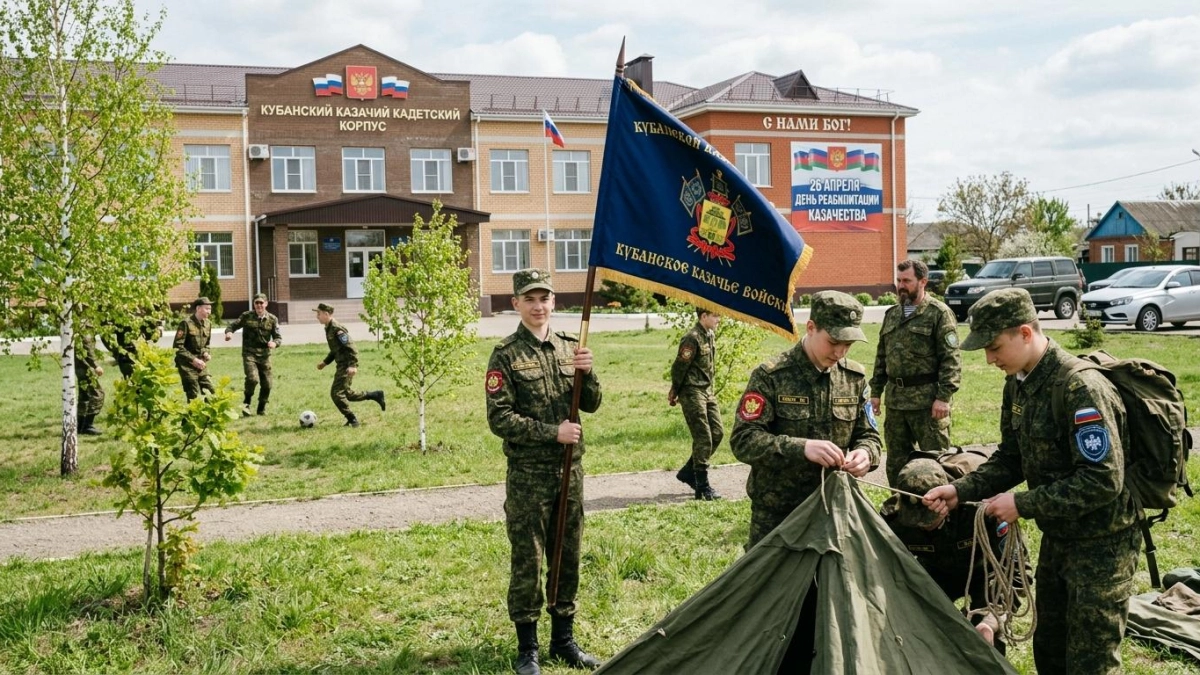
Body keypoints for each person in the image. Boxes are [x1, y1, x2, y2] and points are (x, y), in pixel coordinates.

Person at [923, 288, 1139, 674]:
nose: (989, 359)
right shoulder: (1019, 383)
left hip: (1102, 547)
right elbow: (1012, 458)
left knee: (1090, 661)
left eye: (994, 347)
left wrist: (1022, 504)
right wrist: (960, 490)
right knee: (1050, 652)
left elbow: (1103, 479)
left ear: (1025, 333)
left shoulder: (1080, 388)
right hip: (1059, 539)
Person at [485, 269, 603, 675]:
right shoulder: (506, 354)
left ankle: (564, 641)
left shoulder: (571, 347)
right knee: (528, 560)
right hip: (529, 476)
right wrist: (553, 432)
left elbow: (592, 403)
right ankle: (528, 649)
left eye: (544, 298)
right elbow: (499, 418)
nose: (538, 306)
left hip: (570, 473)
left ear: (554, 302)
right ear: (516, 303)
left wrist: (589, 372)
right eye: (530, 299)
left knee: (567, 555)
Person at [731, 290, 882, 550]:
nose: (840, 352)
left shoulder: (854, 378)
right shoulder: (772, 375)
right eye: (833, 341)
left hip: (833, 509)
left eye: (848, 344)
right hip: (778, 514)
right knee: (773, 577)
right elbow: (743, 440)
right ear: (811, 328)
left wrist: (866, 454)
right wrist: (801, 448)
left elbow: (869, 436)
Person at [881, 457, 1015, 654]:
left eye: (929, 518)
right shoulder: (893, 520)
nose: (924, 526)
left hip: (986, 573)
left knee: (988, 638)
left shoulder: (983, 509)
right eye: (916, 521)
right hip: (936, 572)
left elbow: (1015, 573)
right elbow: (885, 574)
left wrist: (990, 622)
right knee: (915, 626)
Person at [869, 259, 961, 486]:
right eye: (899, 280)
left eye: (907, 281)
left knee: (936, 463)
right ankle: (899, 504)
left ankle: (939, 506)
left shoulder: (938, 313)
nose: (901, 286)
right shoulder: (892, 314)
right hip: (896, 403)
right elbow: (882, 356)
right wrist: (876, 392)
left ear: (923, 282)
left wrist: (943, 397)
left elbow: (951, 359)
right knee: (896, 463)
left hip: (927, 404)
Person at [669, 307, 724, 500]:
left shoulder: (709, 335)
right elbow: (679, 367)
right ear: (704, 316)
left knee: (717, 433)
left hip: (706, 391)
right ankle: (702, 486)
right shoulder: (692, 338)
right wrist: (675, 390)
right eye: (715, 315)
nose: (718, 319)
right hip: (692, 391)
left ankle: (688, 471)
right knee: (703, 437)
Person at [314, 303, 385, 427]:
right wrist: (325, 362)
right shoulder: (328, 328)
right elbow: (336, 349)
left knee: (336, 393)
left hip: (346, 365)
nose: (317, 316)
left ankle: (352, 420)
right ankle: (375, 395)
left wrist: (353, 365)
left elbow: (351, 347)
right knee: (347, 394)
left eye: (318, 314)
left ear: (326, 314)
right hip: (341, 364)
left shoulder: (336, 329)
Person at [225, 293, 282, 416]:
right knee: (252, 379)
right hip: (249, 353)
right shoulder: (247, 316)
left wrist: (274, 343)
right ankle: (246, 404)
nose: (259, 305)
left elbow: (278, 337)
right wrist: (229, 333)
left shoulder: (272, 319)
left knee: (267, 384)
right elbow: (233, 326)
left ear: (266, 304)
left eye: (261, 303)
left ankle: (261, 408)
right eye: (257, 303)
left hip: (265, 355)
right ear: (254, 304)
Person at [174, 297, 214, 401]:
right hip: (186, 364)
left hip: (201, 363)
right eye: (206, 309)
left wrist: (206, 353)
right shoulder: (186, 323)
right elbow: (178, 347)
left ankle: (209, 412)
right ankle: (191, 412)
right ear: (198, 308)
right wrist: (194, 360)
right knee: (193, 394)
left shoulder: (208, 324)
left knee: (210, 391)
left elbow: (207, 344)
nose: (209, 312)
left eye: (210, 309)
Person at [103, 309, 163, 379]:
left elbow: (153, 338)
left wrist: (156, 331)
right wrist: (115, 351)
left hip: (141, 354)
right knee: (130, 378)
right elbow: (105, 335)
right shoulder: (119, 319)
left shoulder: (143, 319)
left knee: (143, 378)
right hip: (125, 355)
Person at [74, 331, 105, 435]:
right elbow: (87, 345)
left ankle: (80, 426)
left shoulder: (77, 327)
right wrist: (96, 365)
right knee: (97, 393)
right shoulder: (85, 328)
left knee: (84, 396)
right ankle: (87, 425)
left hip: (79, 366)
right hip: (86, 366)